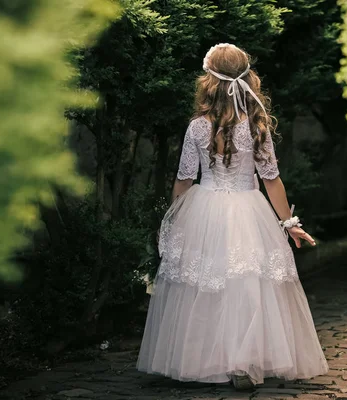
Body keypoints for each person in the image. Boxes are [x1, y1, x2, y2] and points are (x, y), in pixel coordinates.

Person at [136, 43, 328, 389]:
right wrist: (289, 225)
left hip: (204, 208)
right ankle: (243, 363)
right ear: (247, 79)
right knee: (246, 285)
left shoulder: (197, 127)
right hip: (247, 208)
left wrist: (175, 222)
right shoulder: (255, 126)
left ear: (209, 80)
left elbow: (183, 179)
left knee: (204, 286)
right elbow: (272, 181)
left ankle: (204, 360)